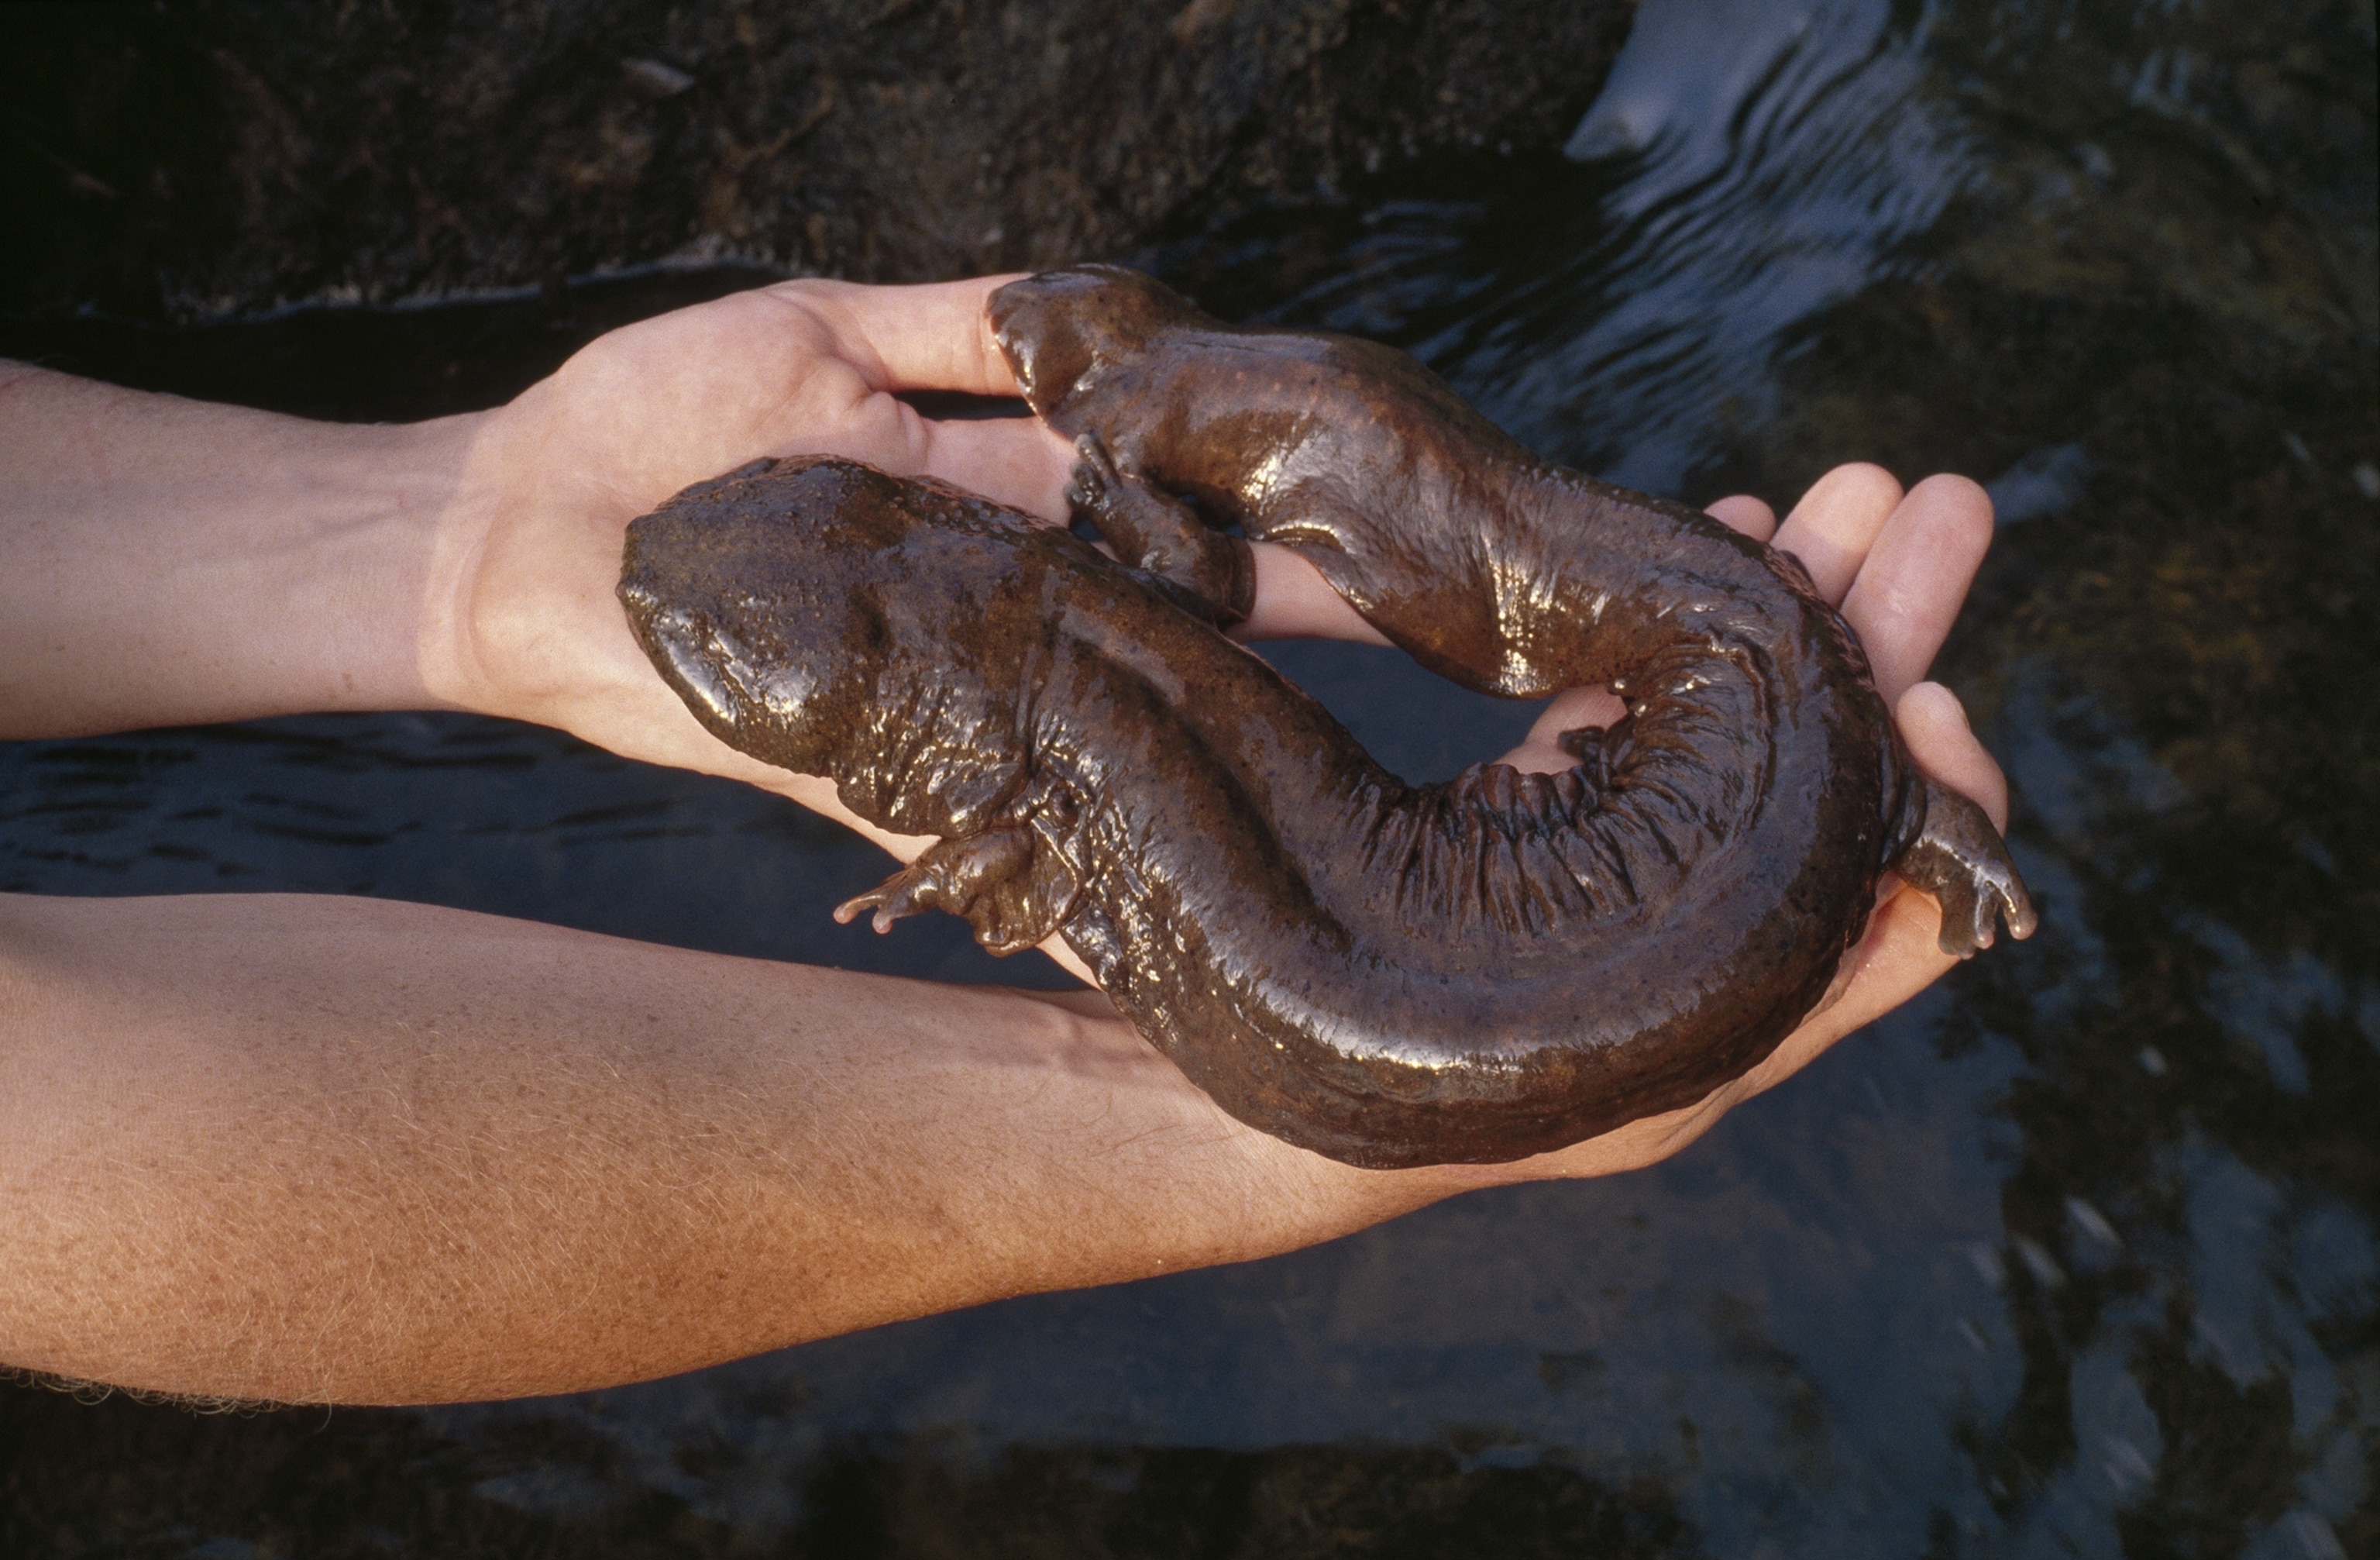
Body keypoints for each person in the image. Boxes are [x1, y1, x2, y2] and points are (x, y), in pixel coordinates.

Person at [0, 275, 2012, 1407]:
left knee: (1762, 729)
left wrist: (453, 531)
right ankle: (1857, 810)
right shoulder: (1091, 605)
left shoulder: (1071, 696)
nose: (657, 594)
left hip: (1708, 800)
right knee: (1768, 713)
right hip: (1704, 796)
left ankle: (1846, 809)